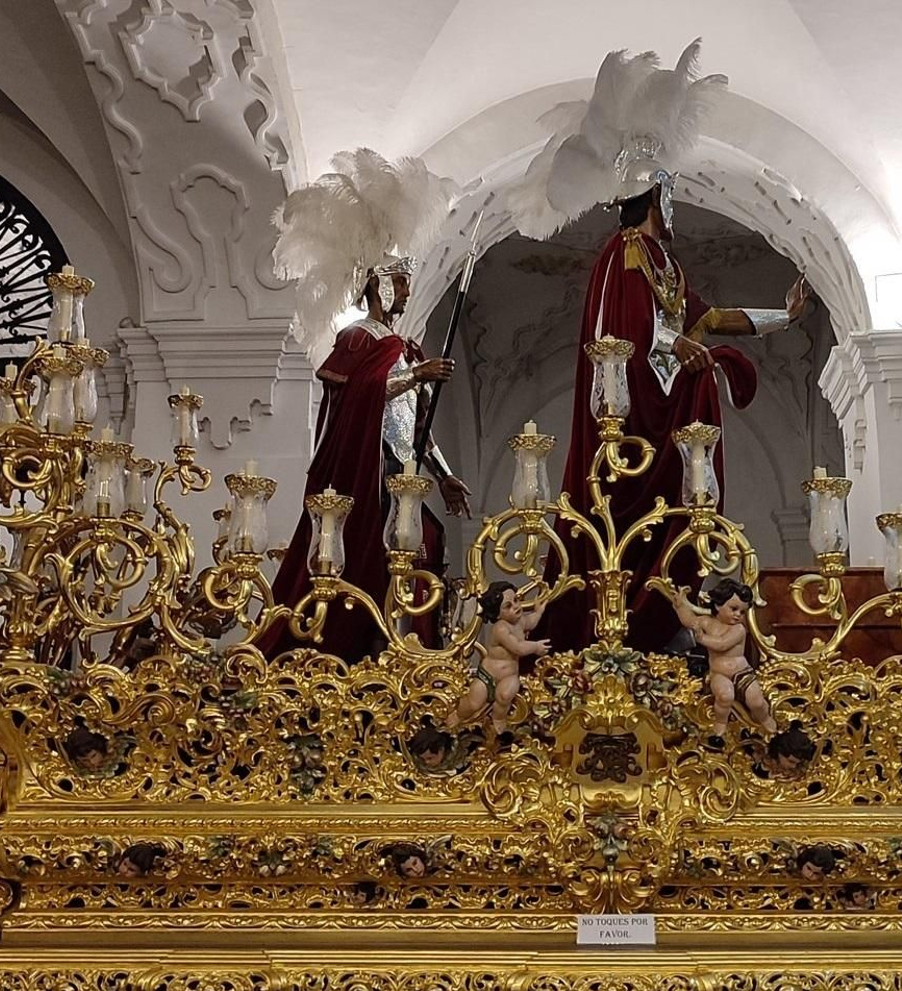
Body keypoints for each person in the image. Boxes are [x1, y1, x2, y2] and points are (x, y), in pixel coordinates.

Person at [509, 43, 807, 650]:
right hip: (637, 405)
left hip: (665, 398)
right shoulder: (624, 254)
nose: (674, 206)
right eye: (669, 194)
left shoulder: (665, 262)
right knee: (622, 517)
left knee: (676, 514)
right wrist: (684, 350)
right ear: (656, 196)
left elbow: (710, 316)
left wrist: (786, 315)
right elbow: (630, 333)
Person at [262, 256, 472, 660]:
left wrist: (443, 475)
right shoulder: (358, 338)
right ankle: (365, 641)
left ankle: (407, 643)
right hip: (366, 469)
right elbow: (357, 393)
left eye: (408, 283)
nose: (408, 292)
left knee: (426, 541)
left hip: (401, 472)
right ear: (380, 285)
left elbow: (417, 428)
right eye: (402, 282)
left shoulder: (406, 350)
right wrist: (416, 375)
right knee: (372, 552)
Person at [666, 578, 776, 740]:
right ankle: (720, 722)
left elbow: (722, 644)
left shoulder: (738, 629)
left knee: (757, 701)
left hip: (742, 672)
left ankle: (765, 718)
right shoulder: (706, 622)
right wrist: (680, 606)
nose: (738, 615)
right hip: (719, 673)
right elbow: (689, 621)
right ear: (718, 605)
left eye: (742, 612)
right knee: (725, 696)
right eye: (734, 609)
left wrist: (701, 638)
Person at [450, 582, 551, 736]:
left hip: (509, 675)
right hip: (488, 676)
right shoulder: (501, 629)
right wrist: (536, 647)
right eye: (508, 606)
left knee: (504, 696)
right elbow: (517, 647)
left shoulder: (520, 621)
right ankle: (457, 715)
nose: (516, 607)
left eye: (516, 601)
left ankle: (498, 719)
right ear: (497, 614)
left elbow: (531, 622)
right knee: (473, 702)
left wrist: (539, 611)